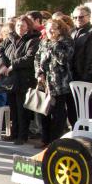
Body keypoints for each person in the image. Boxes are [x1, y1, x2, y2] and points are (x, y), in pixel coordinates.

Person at [0, 15, 40, 145]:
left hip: (24, 79)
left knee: (23, 110)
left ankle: (22, 135)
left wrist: (13, 65)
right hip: (11, 79)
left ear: (28, 26)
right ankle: (14, 133)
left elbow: (29, 57)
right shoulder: (10, 39)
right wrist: (3, 64)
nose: (19, 28)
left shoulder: (33, 40)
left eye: (22, 25)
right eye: (17, 25)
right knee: (13, 108)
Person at [35, 18, 74, 147]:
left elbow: (63, 60)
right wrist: (39, 73)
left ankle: (54, 140)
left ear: (60, 29)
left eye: (54, 28)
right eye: (48, 28)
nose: (50, 31)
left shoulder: (66, 41)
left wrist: (54, 44)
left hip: (60, 83)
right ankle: (44, 139)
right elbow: (37, 58)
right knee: (42, 112)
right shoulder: (43, 42)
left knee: (58, 114)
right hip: (44, 82)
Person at [69, 5, 92, 124]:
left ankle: (88, 135)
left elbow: (91, 57)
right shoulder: (72, 31)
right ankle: (76, 131)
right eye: (75, 17)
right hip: (71, 75)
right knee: (73, 107)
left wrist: (87, 78)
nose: (78, 19)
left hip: (86, 77)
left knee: (87, 108)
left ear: (88, 16)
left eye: (81, 17)